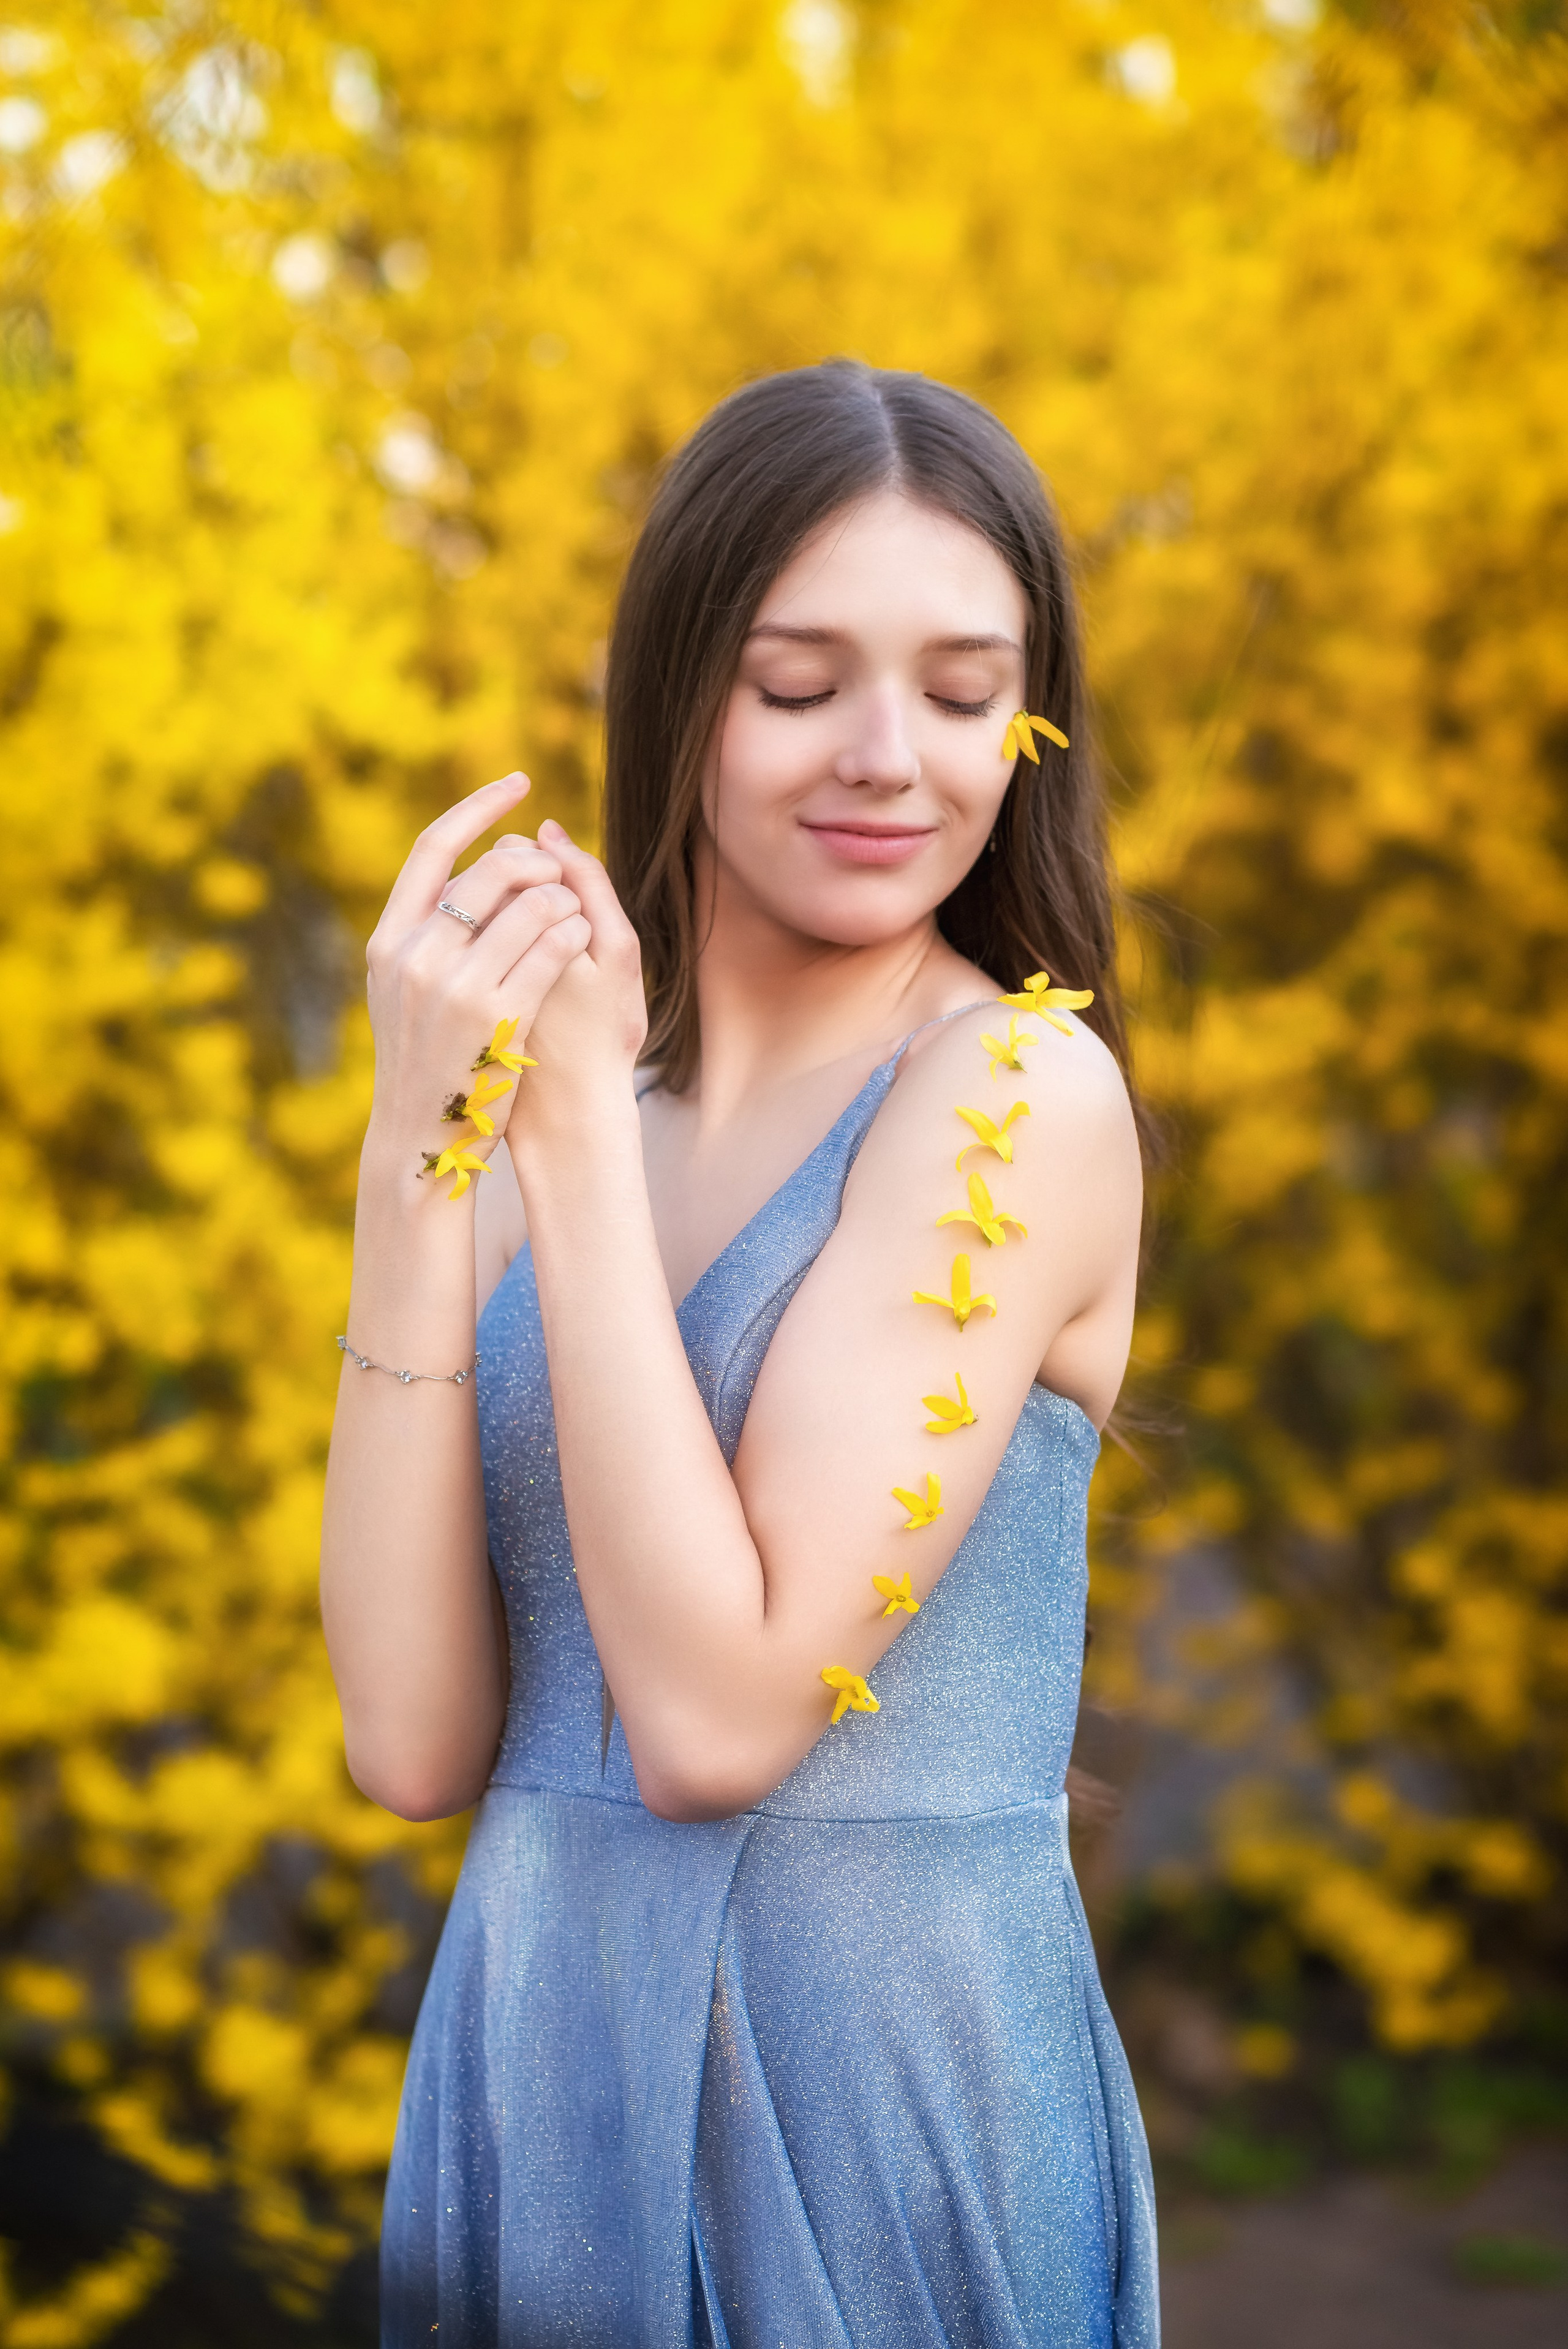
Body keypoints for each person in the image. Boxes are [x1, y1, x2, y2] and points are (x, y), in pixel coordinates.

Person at [321, 361, 1159, 2349]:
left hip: (877, 2104)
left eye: (966, 693)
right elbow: (417, 1737)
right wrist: (409, 1159)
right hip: (538, 2066)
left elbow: (711, 1728)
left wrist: (578, 1146)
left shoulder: (1014, 1101)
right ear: (681, 686)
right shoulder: (576, 1099)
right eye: (801, 684)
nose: (891, 756)